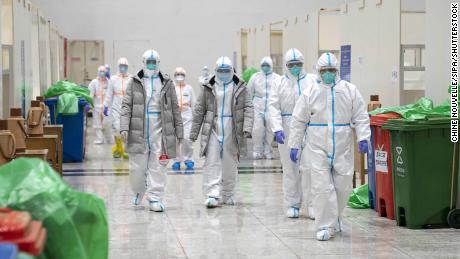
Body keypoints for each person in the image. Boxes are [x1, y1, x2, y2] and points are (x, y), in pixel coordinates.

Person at [288, 52, 371, 241]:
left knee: (343, 186)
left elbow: (360, 115)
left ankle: (337, 217)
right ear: (318, 71)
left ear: (337, 70)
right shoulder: (310, 92)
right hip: (317, 146)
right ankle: (325, 225)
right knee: (322, 187)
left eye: (331, 70)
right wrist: (294, 144)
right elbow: (298, 120)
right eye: (324, 70)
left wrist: (363, 137)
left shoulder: (349, 90)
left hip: (342, 144)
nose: (328, 73)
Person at [120, 49, 183, 212]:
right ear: (143, 62)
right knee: (136, 168)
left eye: (154, 62)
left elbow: (175, 107)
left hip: (159, 127)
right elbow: (126, 106)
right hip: (138, 127)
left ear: (158, 63)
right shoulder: (134, 82)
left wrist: (179, 130)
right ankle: (139, 191)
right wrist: (124, 127)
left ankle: (155, 197)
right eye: (148, 62)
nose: (151, 65)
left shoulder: (166, 83)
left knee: (158, 165)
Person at [190, 56, 253, 208]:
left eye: (227, 71)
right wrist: (194, 132)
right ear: (215, 71)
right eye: (220, 70)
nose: (223, 73)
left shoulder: (240, 87)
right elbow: (199, 110)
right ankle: (212, 193)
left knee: (230, 163)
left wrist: (247, 128)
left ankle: (228, 193)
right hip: (213, 126)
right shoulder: (208, 87)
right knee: (211, 161)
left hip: (232, 127)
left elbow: (249, 108)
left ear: (232, 71)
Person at [268, 48, 315, 219]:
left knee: (309, 168)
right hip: (287, 129)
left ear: (303, 64)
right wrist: (277, 128)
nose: (295, 67)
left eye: (298, 64)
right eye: (291, 64)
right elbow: (273, 106)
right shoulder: (279, 83)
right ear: (286, 65)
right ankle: (292, 204)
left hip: (308, 129)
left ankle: (312, 205)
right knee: (290, 169)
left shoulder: (312, 80)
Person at [247, 56, 280, 160]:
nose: (265, 67)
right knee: (257, 129)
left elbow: (280, 93)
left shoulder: (277, 78)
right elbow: (249, 92)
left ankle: (268, 150)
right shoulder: (255, 77)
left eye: (267, 65)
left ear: (271, 66)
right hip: (257, 105)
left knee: (270, 130)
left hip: (271, 105)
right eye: (263, 65)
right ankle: (257, 150)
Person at [104, 57, 131, 159]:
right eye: (121, 66)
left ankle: (124, 149)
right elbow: (109, 93)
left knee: (127, 130)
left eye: (124, 66)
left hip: (128, 107)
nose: (122, 68)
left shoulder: (131, 79)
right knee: (117, 128)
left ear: (127, 67)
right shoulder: (113, 79)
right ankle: (118, 148)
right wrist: (106, 105)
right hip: (116, 107)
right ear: (118, 66)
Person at [171, 67, 196, 171]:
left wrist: (196, 118)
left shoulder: (189, 88)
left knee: (187, 139)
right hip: (176, 116)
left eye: (181, 74)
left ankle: (188, 159)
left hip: (187, 117)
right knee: (176, 139)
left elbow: (194, 103)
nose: (179, 76)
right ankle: (176, 160)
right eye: (177, 74)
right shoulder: (172, 88)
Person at [89, 66, 110, 144]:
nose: (102, 73)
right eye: (100, 71)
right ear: (98, 72)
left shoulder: (109, 82)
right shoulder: (94, 82)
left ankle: (108, 139)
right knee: (97, 124)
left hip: (106, 107)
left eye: (103, 71)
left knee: (107, 124)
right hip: (97, 107)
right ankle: (99, 139)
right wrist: (90, 104)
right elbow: (90, 94)